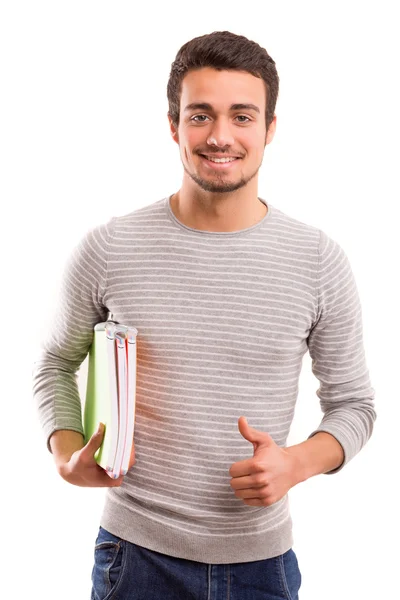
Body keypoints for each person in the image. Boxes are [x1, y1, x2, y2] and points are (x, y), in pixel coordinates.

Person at [32, 30, 376, 600]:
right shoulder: (109, 247)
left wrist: (295, 464)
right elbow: (54, 364)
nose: (220, 136)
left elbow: (354, 405)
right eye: (200, 116)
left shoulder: (318, 260)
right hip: (134, 558)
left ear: (270, 129)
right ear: (174, 126)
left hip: (262, 565)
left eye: (243, 116)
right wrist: (68, 454)